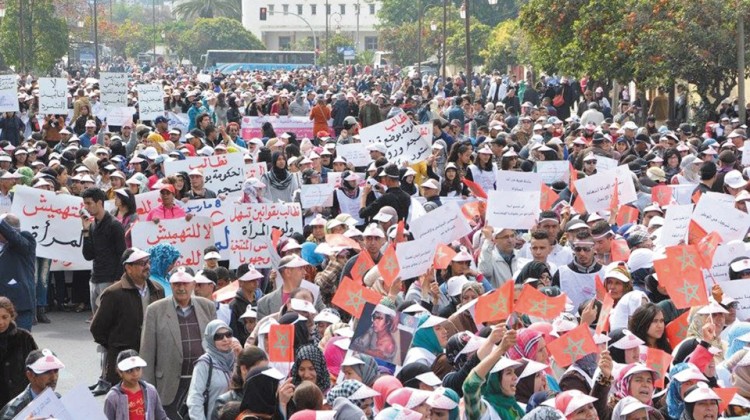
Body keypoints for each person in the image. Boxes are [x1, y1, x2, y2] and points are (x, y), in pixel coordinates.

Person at [140, 269, 217, 419]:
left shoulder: (207, 307)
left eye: (185, 283)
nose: (181, 288)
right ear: (171, 285)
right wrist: (147, 390)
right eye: (176, 284)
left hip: (202, 381)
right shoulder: (155, 310)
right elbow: (147, 352)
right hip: (170, 384)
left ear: (193, 285)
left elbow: (215, 345)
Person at [90, 248, 166, 395]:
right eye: (141, 263)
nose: (147, 266)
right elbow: (97, 328)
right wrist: (115, 345)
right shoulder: (114, 293)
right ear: (128, 268)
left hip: (152, 360)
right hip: (124, 362)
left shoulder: (158, 290)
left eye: (148, 262)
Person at [81, 187, 127, 317]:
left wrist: (118, 281)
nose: (87, 207)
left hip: (110, 280)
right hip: (95, 278)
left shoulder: (114, 225)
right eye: (85, 204)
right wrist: (85, 232)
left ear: (100, 203)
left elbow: (122, 255)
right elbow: (88, 255)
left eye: (89, 203)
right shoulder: (92, 225)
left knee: (111, 319)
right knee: (98, 322)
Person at [187, 320, 238, 420]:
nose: (225, 339)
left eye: (228, 335)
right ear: (210, 339)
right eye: (218, 336)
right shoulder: (204, 363)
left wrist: (241, 355)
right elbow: (195, 398)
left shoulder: (237, 358)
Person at [103, 349, 168, 420]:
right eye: (129, 371)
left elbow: (161, 417)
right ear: (120, 372)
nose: (135, 374)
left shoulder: (151, 391)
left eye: (138, 369)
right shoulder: (112, 397)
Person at [0, 349, 64, 419]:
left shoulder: (58, 399)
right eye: (47, 372)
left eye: (56, 371)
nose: (54, 377)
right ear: (30, 375)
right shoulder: (13, 410)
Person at [0, 214, 35, 331]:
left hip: (20, 305)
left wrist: (1, 223)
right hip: (3, 306)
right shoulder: (3, 246)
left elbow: (15, 238)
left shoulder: (25, 238)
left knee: (21, 343)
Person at [0, 297, 37, 408]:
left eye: (4, 317)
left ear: (12, 316)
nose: (1, 322)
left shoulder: (24, 338)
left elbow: (37, 368)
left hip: (20, 402)